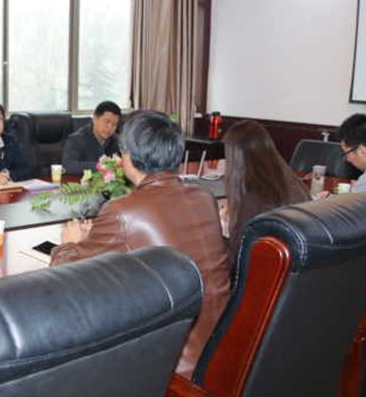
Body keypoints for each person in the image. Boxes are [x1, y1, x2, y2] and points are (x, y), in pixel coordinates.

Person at [50, 110, 231, 378]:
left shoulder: (123, 211)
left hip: (176, 365)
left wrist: (71, 243)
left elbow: (65, 276)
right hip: (223, 347)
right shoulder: (203, 197)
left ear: (128, 157)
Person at [221, 120, 309, 270]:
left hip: (262, 276)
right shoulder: (292, 183)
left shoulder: (252, 199)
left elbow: (237, 259)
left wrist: (221, 231)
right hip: (293, 272)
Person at [61, 101, 121, 175]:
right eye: (106, 122)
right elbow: (68, 166)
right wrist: (100, 166)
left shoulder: (115, 140)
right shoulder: (76, 139)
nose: (110, 127)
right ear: (94, 119)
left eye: (114, 124)